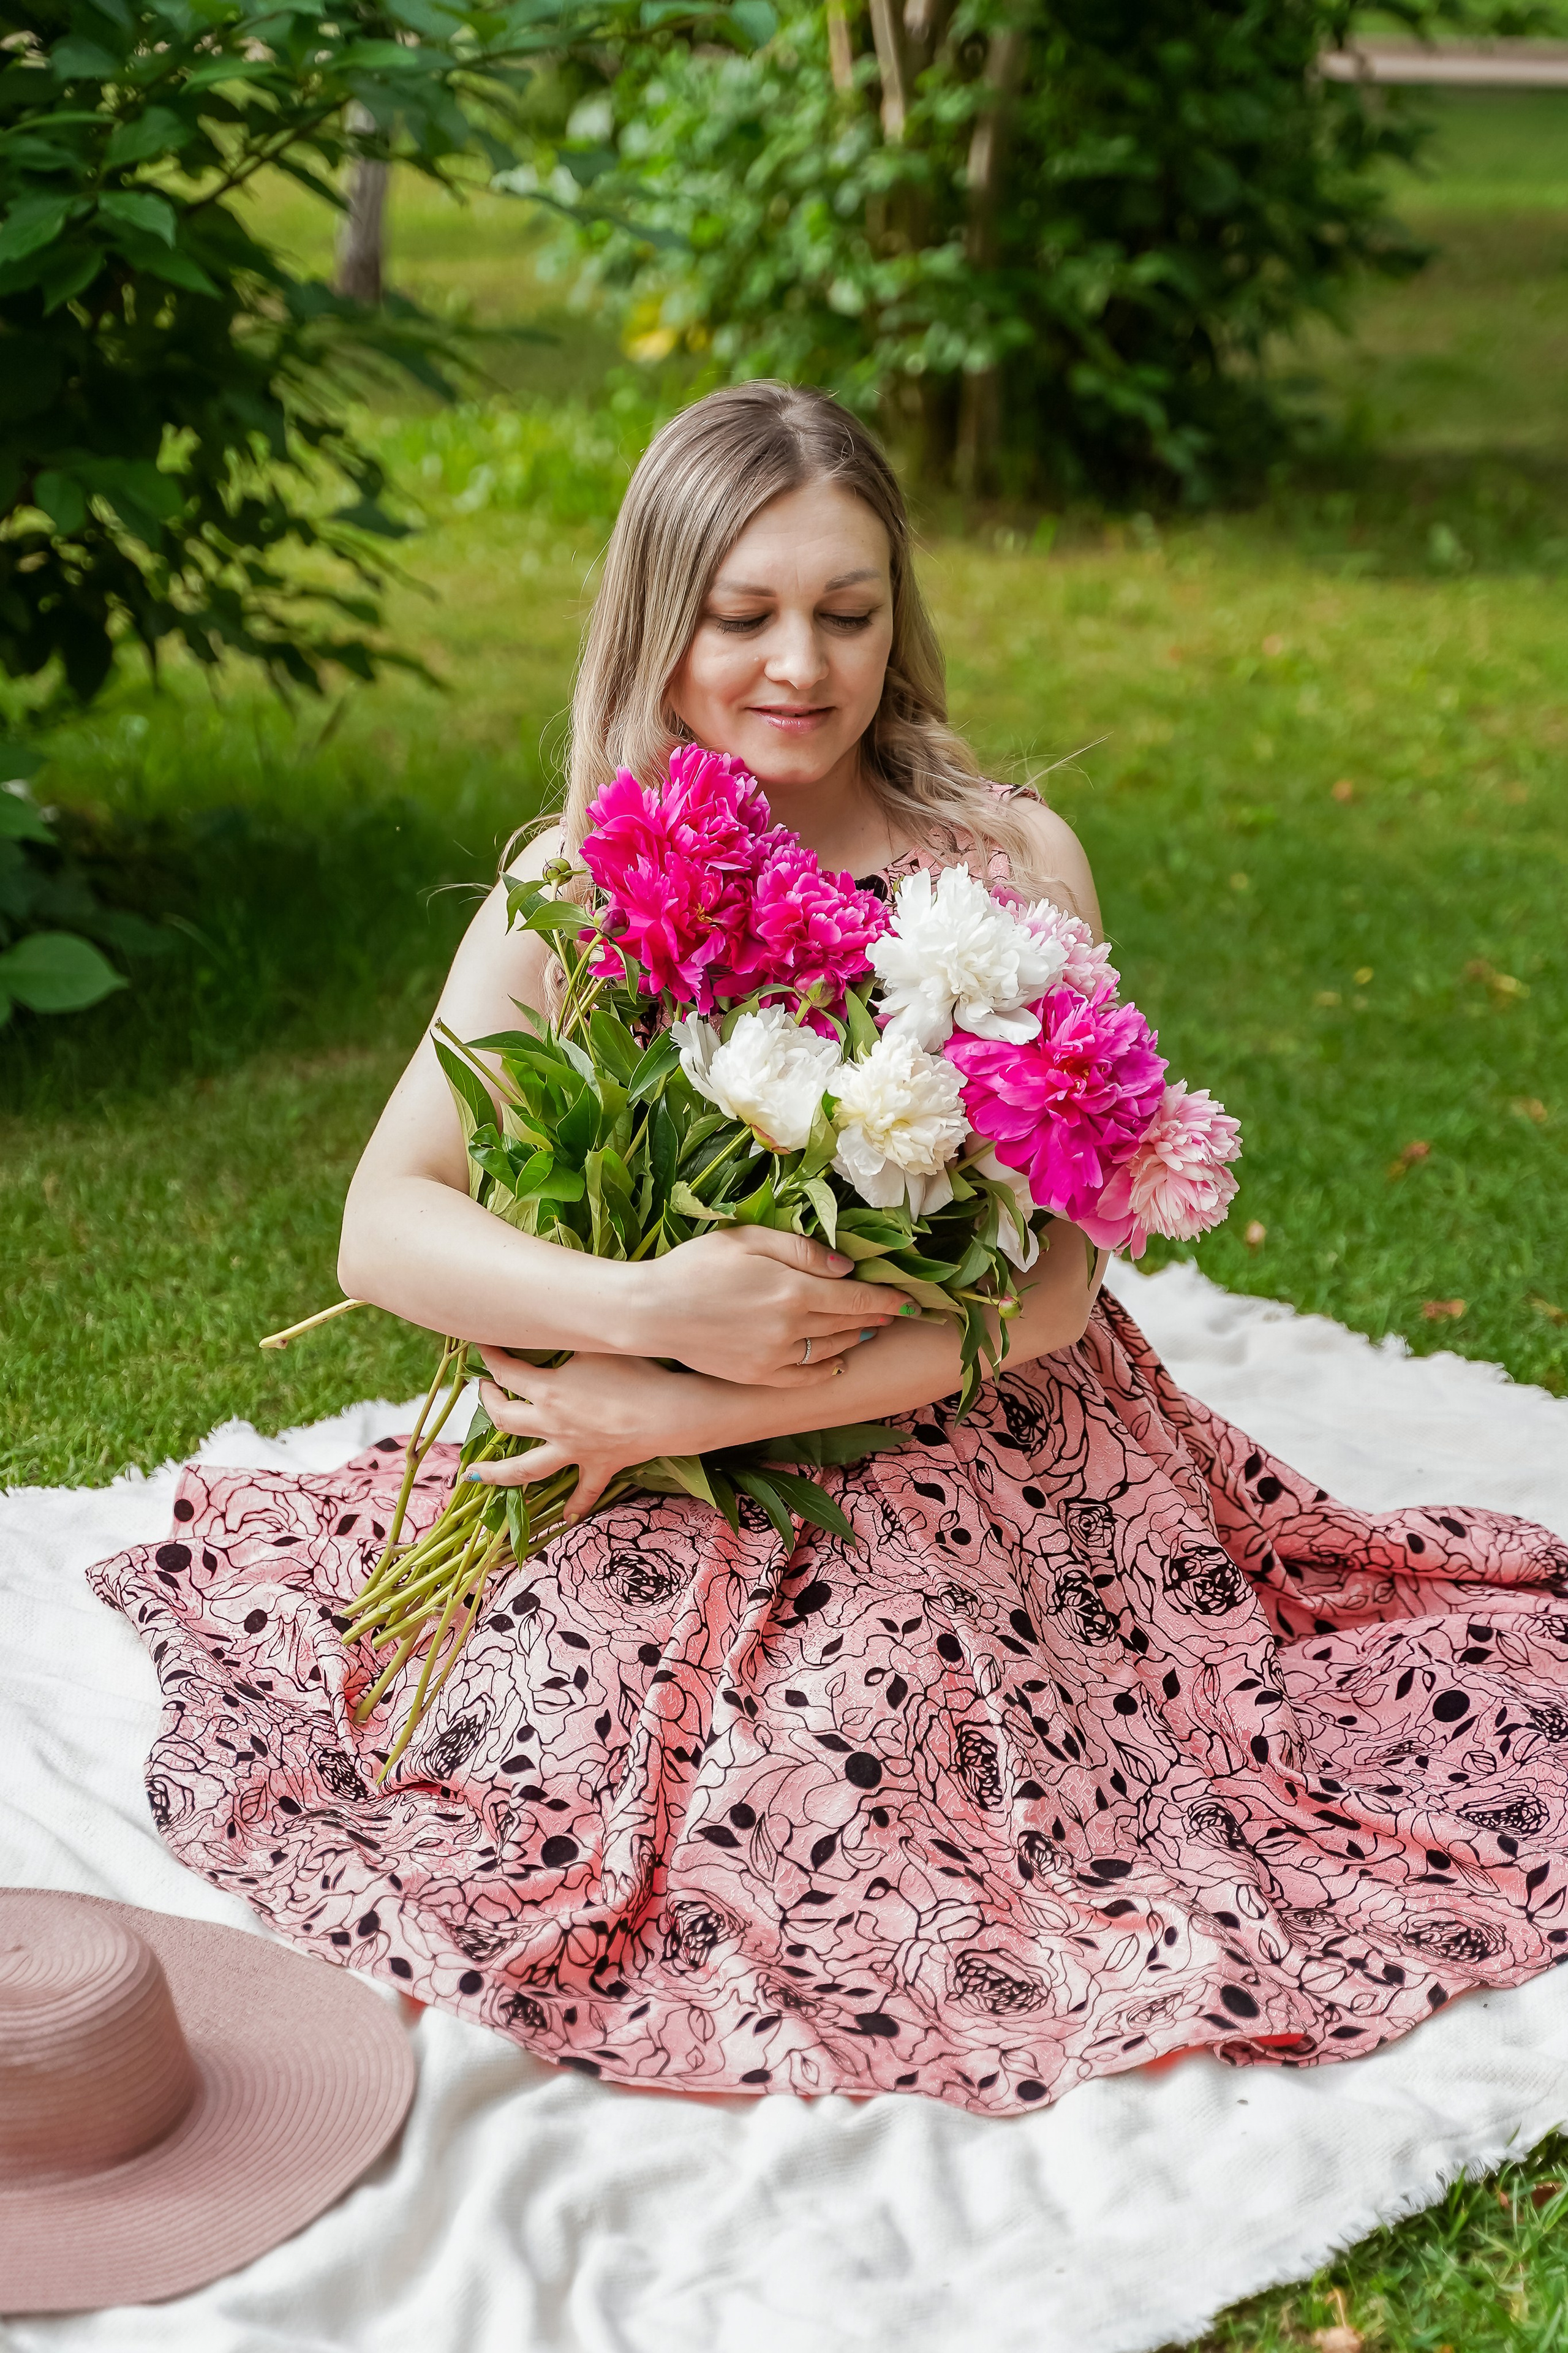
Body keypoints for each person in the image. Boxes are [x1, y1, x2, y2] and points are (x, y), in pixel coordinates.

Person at [94, 383, 1568, 2116]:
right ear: (660, 624)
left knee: (915, 1752)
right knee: (591, 1755)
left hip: (964, 1424)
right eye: (745, 615)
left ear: (899, 620)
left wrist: (684, 1411)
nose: (800, 663)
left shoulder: (1004, 864)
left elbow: (1061, 1285)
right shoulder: (585, 883)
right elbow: (384, 1221)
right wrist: (647, 1315)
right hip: (643, 1416)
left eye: (848, 614)